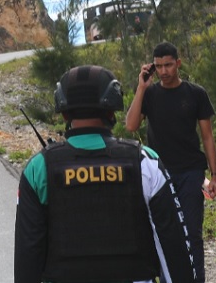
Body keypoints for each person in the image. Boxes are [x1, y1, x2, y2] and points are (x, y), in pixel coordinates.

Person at [15, 65, 196, 282]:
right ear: (112, 110)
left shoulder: (38, 168)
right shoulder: (145, 162)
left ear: (63, 113)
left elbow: (28, 254)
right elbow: (173, 247)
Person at [125, 42, 216, 283]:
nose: (164, 71)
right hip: (158, 175)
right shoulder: (150, 94)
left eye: (168, 65)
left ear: (178, 63)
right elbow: (131, 125)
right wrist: (141, 87)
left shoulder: (196, 93)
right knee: (158, 232)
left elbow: (207, 136)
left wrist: (215, 175)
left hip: (190, 172)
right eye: (159, 66)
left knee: (192, 233)